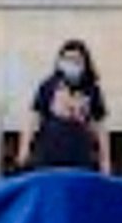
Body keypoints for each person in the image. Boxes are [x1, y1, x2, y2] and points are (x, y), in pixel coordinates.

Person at [24, 39, 109, 176]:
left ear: (85, 62)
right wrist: (24, 149)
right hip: (49, 154)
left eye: (76, 60)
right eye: (67, 59)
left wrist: (105, 160)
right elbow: (34, 117)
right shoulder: (48, 85)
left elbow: (100, 126)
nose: (71, 63)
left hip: (80, 154)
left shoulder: (92, 89)